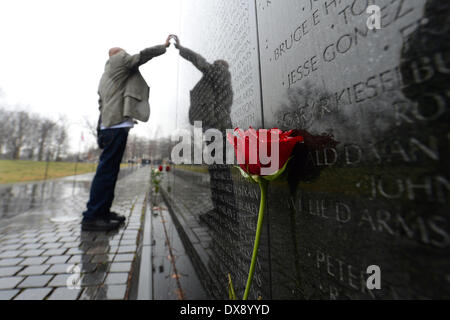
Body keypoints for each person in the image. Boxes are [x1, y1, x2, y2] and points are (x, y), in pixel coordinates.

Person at [82, 37, 171, 231]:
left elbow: (101, 104)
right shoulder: (119, 61)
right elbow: (142, 56)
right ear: (118, 54)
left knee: (109, 172)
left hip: (108, 126)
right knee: (106, 173)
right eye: (124, 53)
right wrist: (163, 48)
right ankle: (93, 216)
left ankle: (101, 212)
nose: (126, 56)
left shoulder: (105, 76)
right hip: (115, 127)